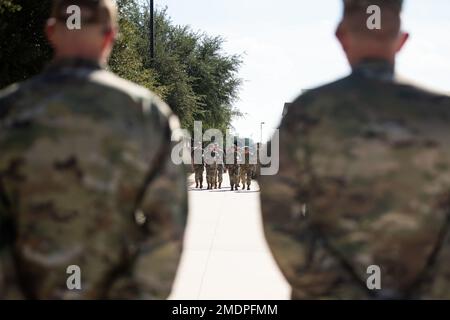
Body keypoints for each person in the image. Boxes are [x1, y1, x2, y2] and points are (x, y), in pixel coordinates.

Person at [260, 0, 450, 299]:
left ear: (340, 35)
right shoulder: (442, 114)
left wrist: (335, 289)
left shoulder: (308, 114)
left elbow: (277, 212)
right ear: (402, 41)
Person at [0, 0, 187, 299]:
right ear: (110, 35)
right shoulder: (147, 115)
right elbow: (167, 228)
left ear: (50, 32)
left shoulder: (8, 111)